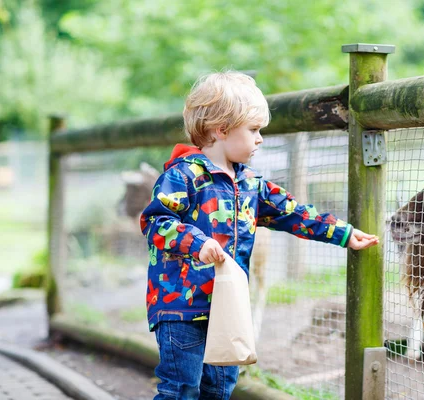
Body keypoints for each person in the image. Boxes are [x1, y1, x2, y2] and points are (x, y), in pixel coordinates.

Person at [140, 71, 379, 400]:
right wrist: (198, 243)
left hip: (228, 304)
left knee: (220, 386)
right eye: (253, 130)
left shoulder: (250, 184)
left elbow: (292, 211)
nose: (260, 139)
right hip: (181, 305)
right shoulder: (183, 175)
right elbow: (156, 222)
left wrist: (343, 233)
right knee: (182, 387)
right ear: (221, 129)